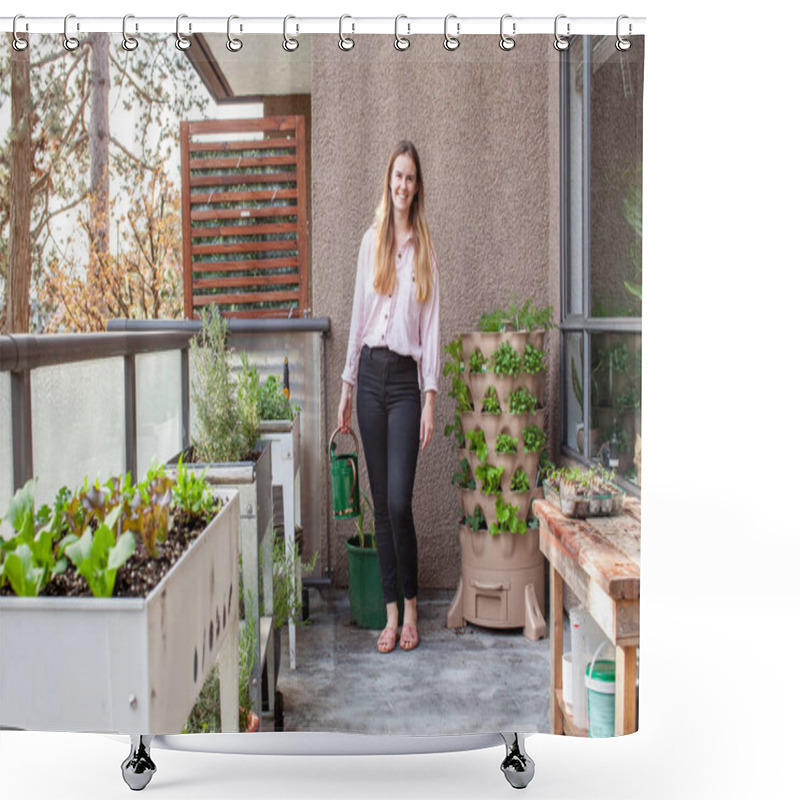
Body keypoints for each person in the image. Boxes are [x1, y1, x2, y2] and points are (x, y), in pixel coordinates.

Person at [338, 140, 441, 654]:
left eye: (410, 178)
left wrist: (429, 397)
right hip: (370, 379)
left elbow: (433, 327)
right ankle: (392, 613)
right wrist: (347, 385)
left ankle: (414, 605)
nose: (402, 185)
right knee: (380, 506)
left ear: (417, 187)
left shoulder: (423, 251)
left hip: (403, 382)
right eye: (396, 176)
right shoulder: (369, 243)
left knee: (399, 502)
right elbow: (358, 317)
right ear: (389, 181)